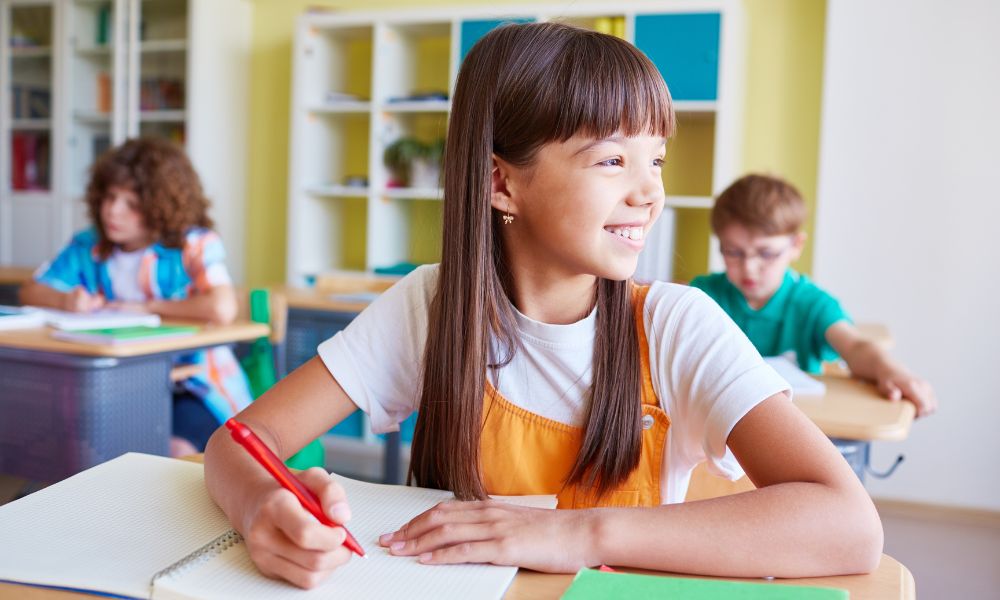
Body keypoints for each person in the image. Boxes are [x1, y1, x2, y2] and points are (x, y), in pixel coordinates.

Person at [204, 23, 882, 589]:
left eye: (657, 161)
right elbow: (239, 444)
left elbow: (850, 527)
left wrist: (573, 530)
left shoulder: (675, 323)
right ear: (501, 183)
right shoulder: (434, 305)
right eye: (613, 161)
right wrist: (263, 506)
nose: (650, 193)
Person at [20, 138, 253, 457]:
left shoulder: (192, 245)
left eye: (131, 204)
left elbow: (222, 307)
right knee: (65, 443)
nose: (112, 211)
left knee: (174, 451)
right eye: (110, 197)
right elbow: (30, 291)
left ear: (161, 207)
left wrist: (145, 307)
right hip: (112, 388)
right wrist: (66, 301)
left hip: (190, 387)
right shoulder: (88, 245)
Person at [689, 174, 936, 418]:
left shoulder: (812, 304)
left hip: (795, 429)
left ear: (796, 245)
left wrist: (890, 370)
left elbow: (855, 346)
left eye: (766, 253)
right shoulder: (703, 295)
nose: (749, 267)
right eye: (733, 252)